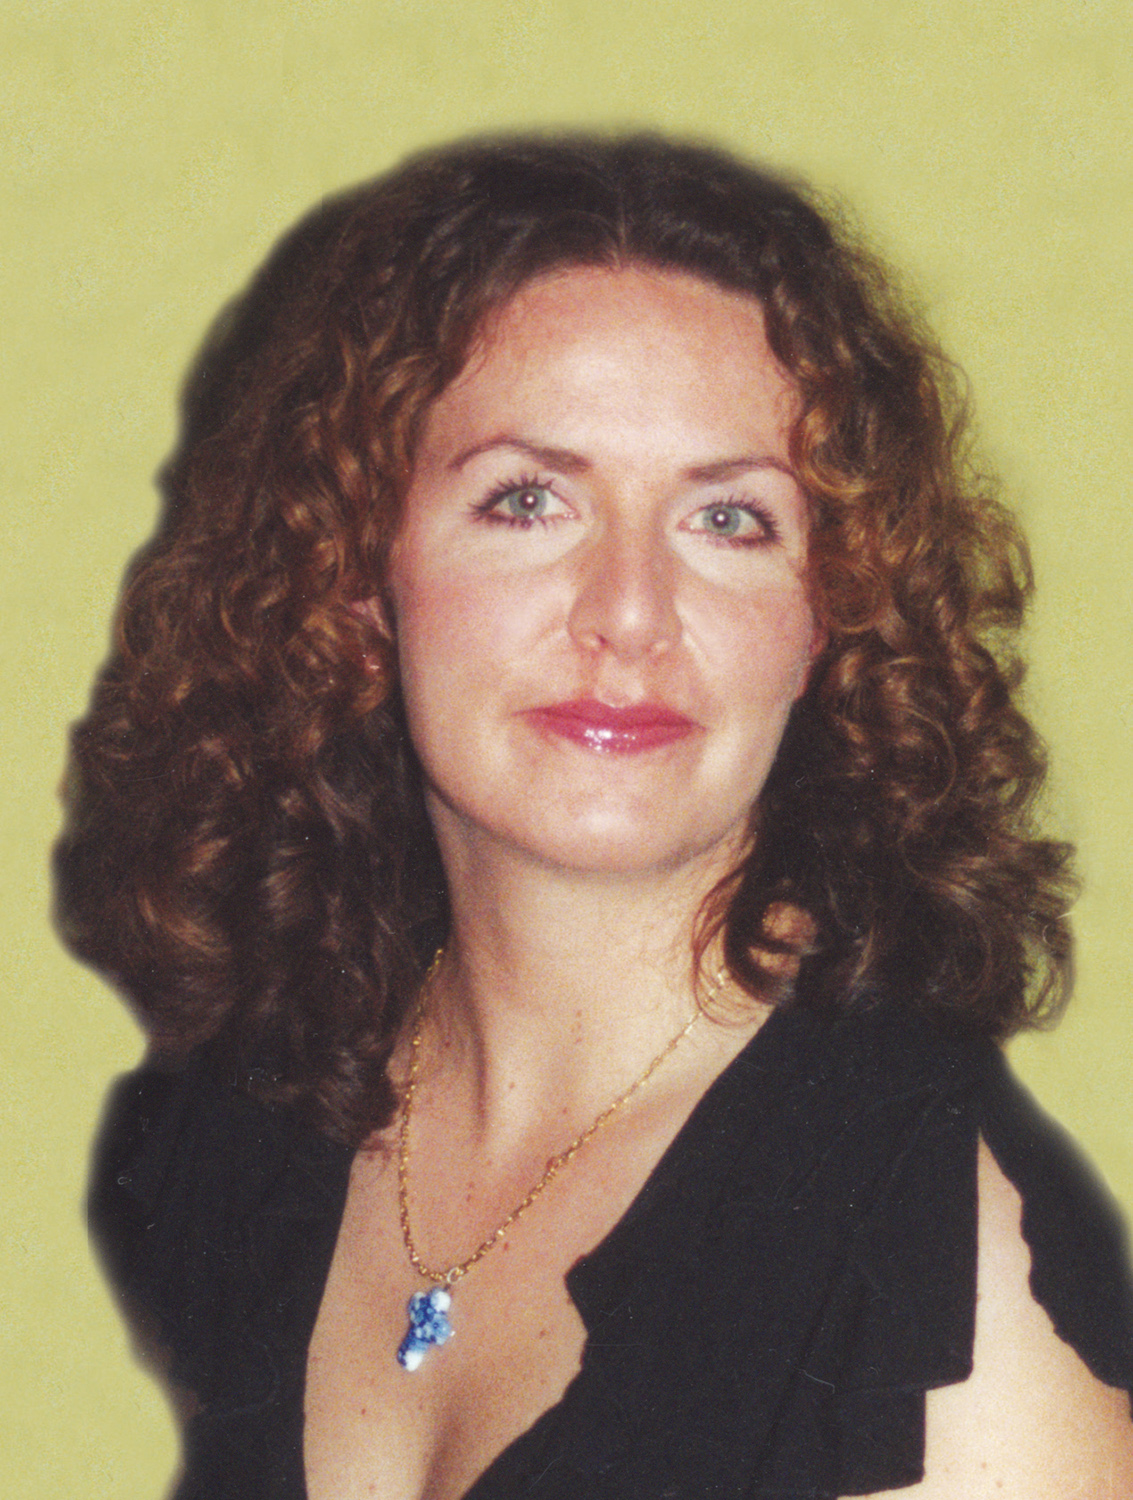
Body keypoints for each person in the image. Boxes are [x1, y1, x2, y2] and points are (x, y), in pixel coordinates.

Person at [58, 134, 1133, 1499]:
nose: (628, 614)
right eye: (527, 501)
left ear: (827, 618)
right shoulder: (238, 1131)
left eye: (729, 521)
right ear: (358, 578)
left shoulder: (941, 1270)